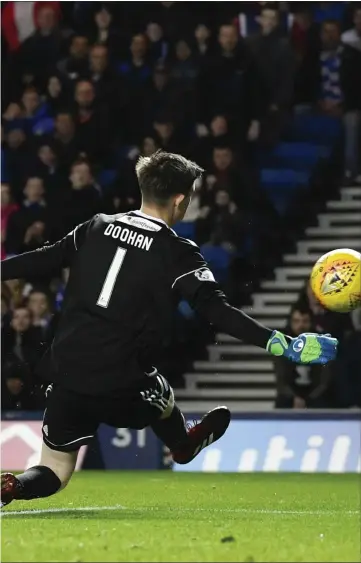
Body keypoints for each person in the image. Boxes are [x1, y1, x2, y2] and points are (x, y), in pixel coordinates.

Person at [0, 150, 337, 508]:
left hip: (66, 372)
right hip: (122, 380)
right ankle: (183, 443)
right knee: (160, 391)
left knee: (53, 470)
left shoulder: (95, 226)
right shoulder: (177, 252)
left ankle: (12, 487)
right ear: (180, 199)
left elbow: (44, 258)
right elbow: (218, 311)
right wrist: (282, 343)